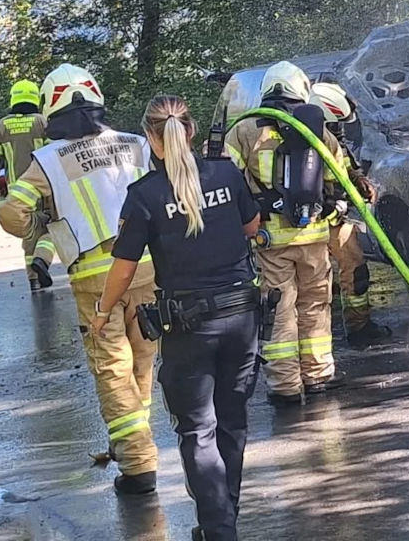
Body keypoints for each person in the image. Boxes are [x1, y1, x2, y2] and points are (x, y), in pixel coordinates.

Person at [92, 95, 262, 541]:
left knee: (198, 431)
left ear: (152, 138)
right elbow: (251, 226)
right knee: (232, 422)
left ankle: (219, 529)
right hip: (242, 317)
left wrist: (102, 310)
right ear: (189, 132)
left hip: (190, 327)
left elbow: (125, 268)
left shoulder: (145, 195)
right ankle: (225, 519)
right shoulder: (226, 173)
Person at [0, 64, 158, 495]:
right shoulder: (136, 145)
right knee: (142, 360)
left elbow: (11, 213)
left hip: (94, 278)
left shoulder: (48, 161)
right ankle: (134, 441)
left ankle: (138, 464)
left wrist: (42, 228)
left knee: (112, 367)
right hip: (145, 269)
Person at [224, 61, 345, 405]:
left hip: (270, 239)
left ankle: (286, 386)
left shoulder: (244, 129)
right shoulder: (317, 130)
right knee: (315, 306)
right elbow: (340, 178)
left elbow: (220, 177)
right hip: (314, 237)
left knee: (279, 311)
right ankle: (318, 375)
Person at [308, 81, 393, 349]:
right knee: (314, 283)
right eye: (335, 124)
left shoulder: (330, 138)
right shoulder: (300, 140)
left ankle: (359, 327)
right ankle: (313, 341)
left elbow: (344, 163)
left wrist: (359, 181)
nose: (339, 130)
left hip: (335, 220)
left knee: (356, 271)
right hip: (306, 225)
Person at [0, 79, 56, 290]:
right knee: (53, 226)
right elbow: (55, 154)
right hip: (44, 187)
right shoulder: (42, 122)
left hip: (18, 192)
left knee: (30, 232)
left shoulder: (1, 126)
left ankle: (33, 279)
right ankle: (42, 259)